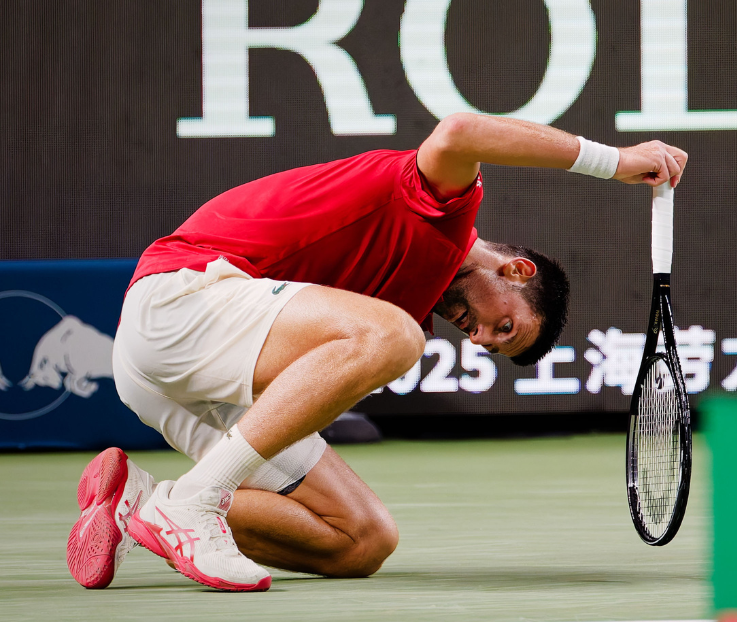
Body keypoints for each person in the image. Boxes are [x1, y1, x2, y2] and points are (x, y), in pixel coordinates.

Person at [66, 113, 688, 592]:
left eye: (490, 346)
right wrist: (616, 162)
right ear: (516, 271)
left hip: (181, 371)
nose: (478, 339)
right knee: (393, 338)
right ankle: (194, 503)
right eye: (503, 327)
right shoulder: (444, 210)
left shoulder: (401, 301)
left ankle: (140, 504)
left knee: (361, 541)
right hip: (182, 299)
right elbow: (461, 131)